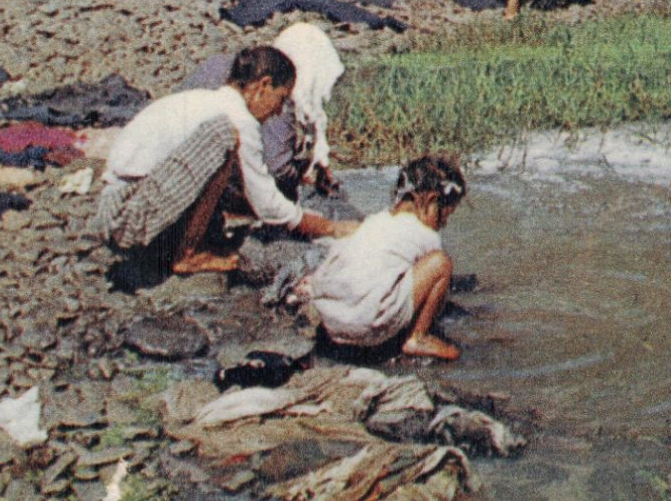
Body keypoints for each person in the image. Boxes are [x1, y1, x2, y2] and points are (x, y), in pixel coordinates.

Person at [94, 46, 356, 275]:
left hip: (123, 203)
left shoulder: (208, 101)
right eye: (281, 99)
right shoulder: (237, 119)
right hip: (124, 215)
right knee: (223, 138)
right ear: (263, 85)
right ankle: (187, 255)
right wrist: (330, 227)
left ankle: (185, 242)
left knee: (226, 161)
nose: (279, 111)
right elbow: (268, 204)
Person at [302, 154, 467, 361]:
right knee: (441, 264)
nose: (443, 224)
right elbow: (432, 284)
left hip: (331, 322)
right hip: (366, 327)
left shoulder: (375, 221)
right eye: (445, 216)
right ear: (431, 201)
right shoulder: (428, 236)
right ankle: (418, 337)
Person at [178, 22, 346, 198]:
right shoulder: (274, 98)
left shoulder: (225, 63)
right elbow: (276, 171)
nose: (279, 109)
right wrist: (304, 172)